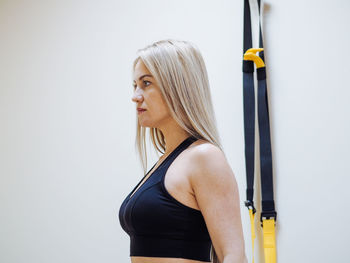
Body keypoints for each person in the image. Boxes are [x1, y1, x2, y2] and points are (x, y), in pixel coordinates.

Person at [119, 39, 247, 263]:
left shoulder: (204, 157)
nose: (135, 96)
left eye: (146, 83)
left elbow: (233, 255)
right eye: (135, 86)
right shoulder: (166, 161)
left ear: (177, 86)